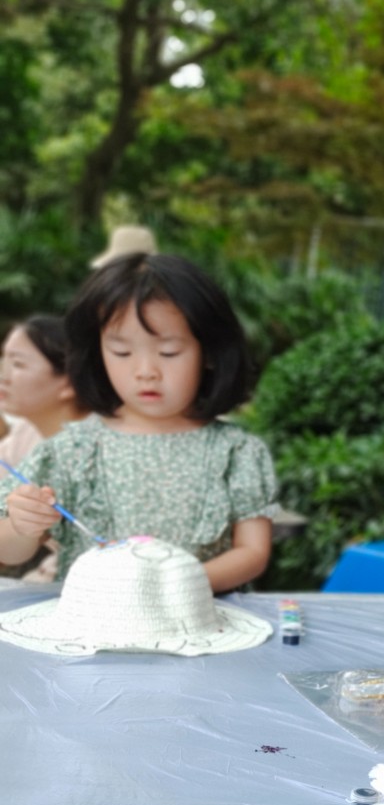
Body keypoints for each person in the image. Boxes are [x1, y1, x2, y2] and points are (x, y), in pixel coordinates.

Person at [0, 254, 278, 593]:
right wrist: (23, 525)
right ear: (97, 353)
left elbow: (252, 552)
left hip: (203, 618)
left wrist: (174, 584)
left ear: (209, 352)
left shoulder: (237, 451)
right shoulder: (70, 451)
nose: (146, 371)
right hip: (95, 621)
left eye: (169, 352)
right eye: (121, 353)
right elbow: (9, 551)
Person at [0, 316, 88, 466]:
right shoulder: (28, 432)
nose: (3, 377)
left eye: (18, 364)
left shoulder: (95, 453)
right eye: (3, 360)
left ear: (68, 384)